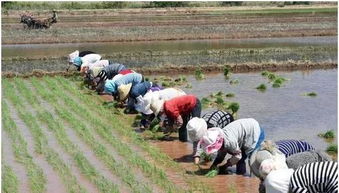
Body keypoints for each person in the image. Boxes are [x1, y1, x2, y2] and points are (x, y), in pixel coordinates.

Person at [197, 118, 265, 175]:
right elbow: (221, 153)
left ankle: (249, 178)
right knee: (240, 157)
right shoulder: (221, 138)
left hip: (255, 132)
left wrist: (225, 166)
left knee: (250, 161)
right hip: (246, 130)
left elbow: (238, 156)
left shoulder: (229, 142)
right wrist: (215, 164)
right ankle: (240, 177)